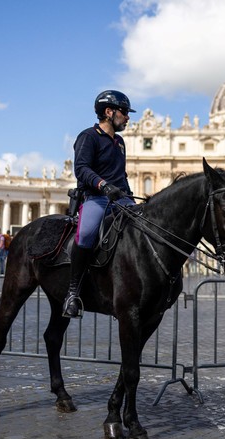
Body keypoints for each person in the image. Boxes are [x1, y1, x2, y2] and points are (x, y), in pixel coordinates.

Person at [62, 90, 136, 319]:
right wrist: (103, 186)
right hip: (97, 198)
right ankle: (73, 293)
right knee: (85, 235)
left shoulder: (120, 142)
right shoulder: (88, 137)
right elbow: (82, 169)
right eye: (124, 112)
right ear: (108, 112)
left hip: (121, 198)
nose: (127, 117)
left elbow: (120, 174)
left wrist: (130, 198)